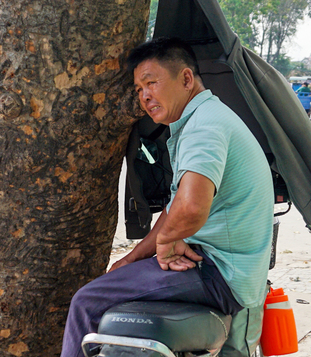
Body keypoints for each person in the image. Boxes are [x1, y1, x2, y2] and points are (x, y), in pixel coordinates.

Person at [60, 38, 274, 357]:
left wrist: (167, 242)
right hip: (225, 268)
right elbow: (176, 212)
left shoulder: (204, 126)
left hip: (218, 273)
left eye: (151, 83)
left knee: (86, 302)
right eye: (138, 89)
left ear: (186, 79)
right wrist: (133, 257)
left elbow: (189, 210)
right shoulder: (205, 118)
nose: (145, 96)